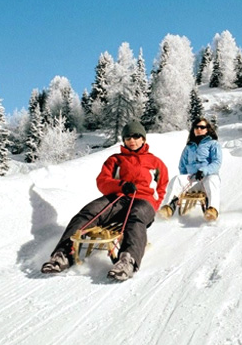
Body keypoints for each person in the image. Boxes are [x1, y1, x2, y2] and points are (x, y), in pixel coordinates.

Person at [41, 120, 168, 280]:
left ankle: (128, 261)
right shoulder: (115, 160)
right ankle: (63, 254)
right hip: (118, 197)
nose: (132, 140)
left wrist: (154, 205)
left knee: (136, 216)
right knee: (89, 211)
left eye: (136, 136)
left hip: (143, 200)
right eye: (128, 137)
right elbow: (102, 181)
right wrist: (121, 186)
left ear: (143, 139)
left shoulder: (155, 163)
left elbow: (162, 186)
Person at [160, 117, 222, 221]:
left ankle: (212, 210)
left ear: (207, 129)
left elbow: (217, 162)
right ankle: (168, 207)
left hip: (207, 177)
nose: (199, 129)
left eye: (202, 127)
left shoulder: (213, 144)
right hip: (193, 179)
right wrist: (184, 183)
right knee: (177, 179)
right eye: (196, 127)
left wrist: (204, 171)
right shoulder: (189, 147)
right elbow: (182, 166)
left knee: (212, 180)